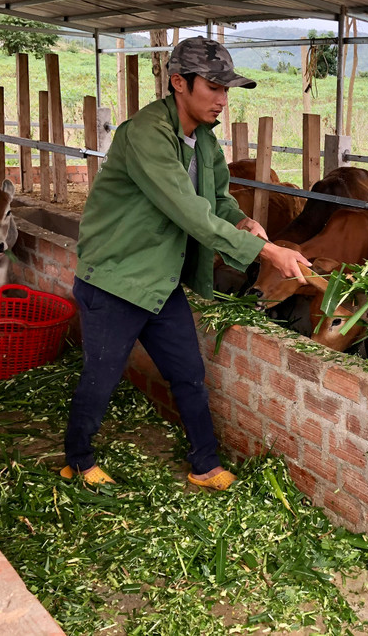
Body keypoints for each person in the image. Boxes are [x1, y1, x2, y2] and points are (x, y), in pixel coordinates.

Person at [62, 36, 310, 490]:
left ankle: (205, 465)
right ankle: (77, 459)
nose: (221, 99)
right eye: (213, 86)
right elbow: (187, 210)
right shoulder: (145, 134)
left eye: (226, 89)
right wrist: (268, 252)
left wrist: (243, 220)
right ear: (179, 82)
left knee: (189, 374)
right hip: (115, 279)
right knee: (102, 377)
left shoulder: (205, 142)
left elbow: (215, 200)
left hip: (160, 281)